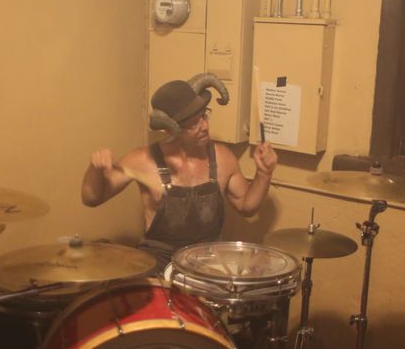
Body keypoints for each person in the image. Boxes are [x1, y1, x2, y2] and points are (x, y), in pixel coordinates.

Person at [81, 73, 278, 272]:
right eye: (193, 123)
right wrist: (95, 169)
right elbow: (91, 198)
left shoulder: (222, 158)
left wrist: (264, 174)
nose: (204, 126)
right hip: (158, 264)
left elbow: (246, 206)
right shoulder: (142, 160)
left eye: (204, 116)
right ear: (169, 130)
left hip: (208, 264)